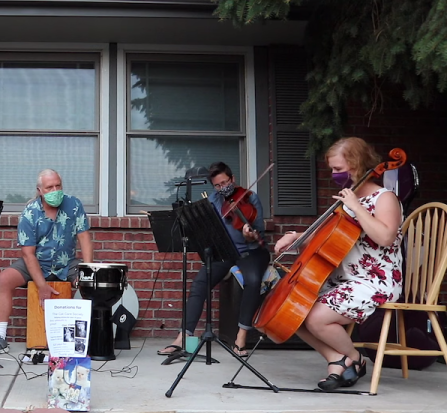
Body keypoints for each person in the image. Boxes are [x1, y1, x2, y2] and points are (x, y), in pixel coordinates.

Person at [273, 137, 403, 390]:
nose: (333, 175)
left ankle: (354, 358)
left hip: (375, 280)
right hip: (345, 279)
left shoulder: (384, 198)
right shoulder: (347, 200)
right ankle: (338, 359)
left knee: (316, 318)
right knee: (290, 311)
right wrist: (295, 236)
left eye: (338, 169)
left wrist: (356, 206)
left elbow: (385, 237)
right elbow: (329, 237)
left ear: (357, 165)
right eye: (332, 169)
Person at [158, 161, 270, 358]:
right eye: (217, 185)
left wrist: (249, 235)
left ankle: (241, 336)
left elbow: (258, 231)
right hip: (225, 252)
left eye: (225, 183)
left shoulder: (251, 198)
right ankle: (184, 336)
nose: (222, 188)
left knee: (252, 281)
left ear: (232, 179)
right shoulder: (213, 200)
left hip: (251, 252)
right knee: (200, 283)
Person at [0, 169, 94, 356]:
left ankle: (83, 339)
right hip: (37, 262)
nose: (55, 190)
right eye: (50, 187)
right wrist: (41, 285)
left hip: (67, 263)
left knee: (90, 284)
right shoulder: (30, 212)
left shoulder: (74, 204)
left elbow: (84, 238)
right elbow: (28, 254)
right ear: (40, 190)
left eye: (58, 186)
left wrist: (88, 271)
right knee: (4, 279)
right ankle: (0, 337)